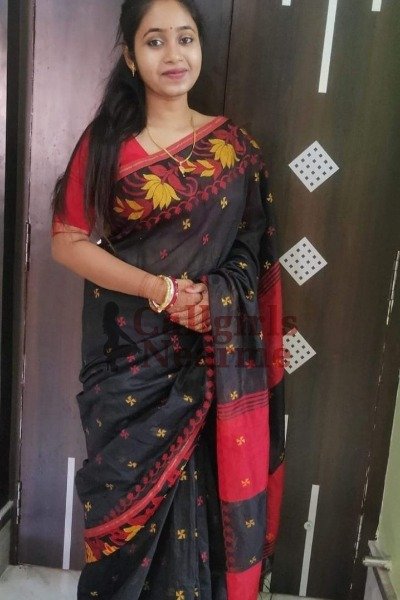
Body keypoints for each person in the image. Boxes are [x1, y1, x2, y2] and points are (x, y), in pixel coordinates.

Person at [51, 1, 285, 599]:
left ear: (200, 47)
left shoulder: (234, 149)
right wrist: (160, 290)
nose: (174, 54)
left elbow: (252, 250)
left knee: (203, 508)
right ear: (132, 57)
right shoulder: (107, 144)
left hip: (211, 361)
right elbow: (67, 242)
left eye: (185, 38)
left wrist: (214, 300)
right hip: (130, 364)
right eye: (155, 41)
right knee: (123, 513)